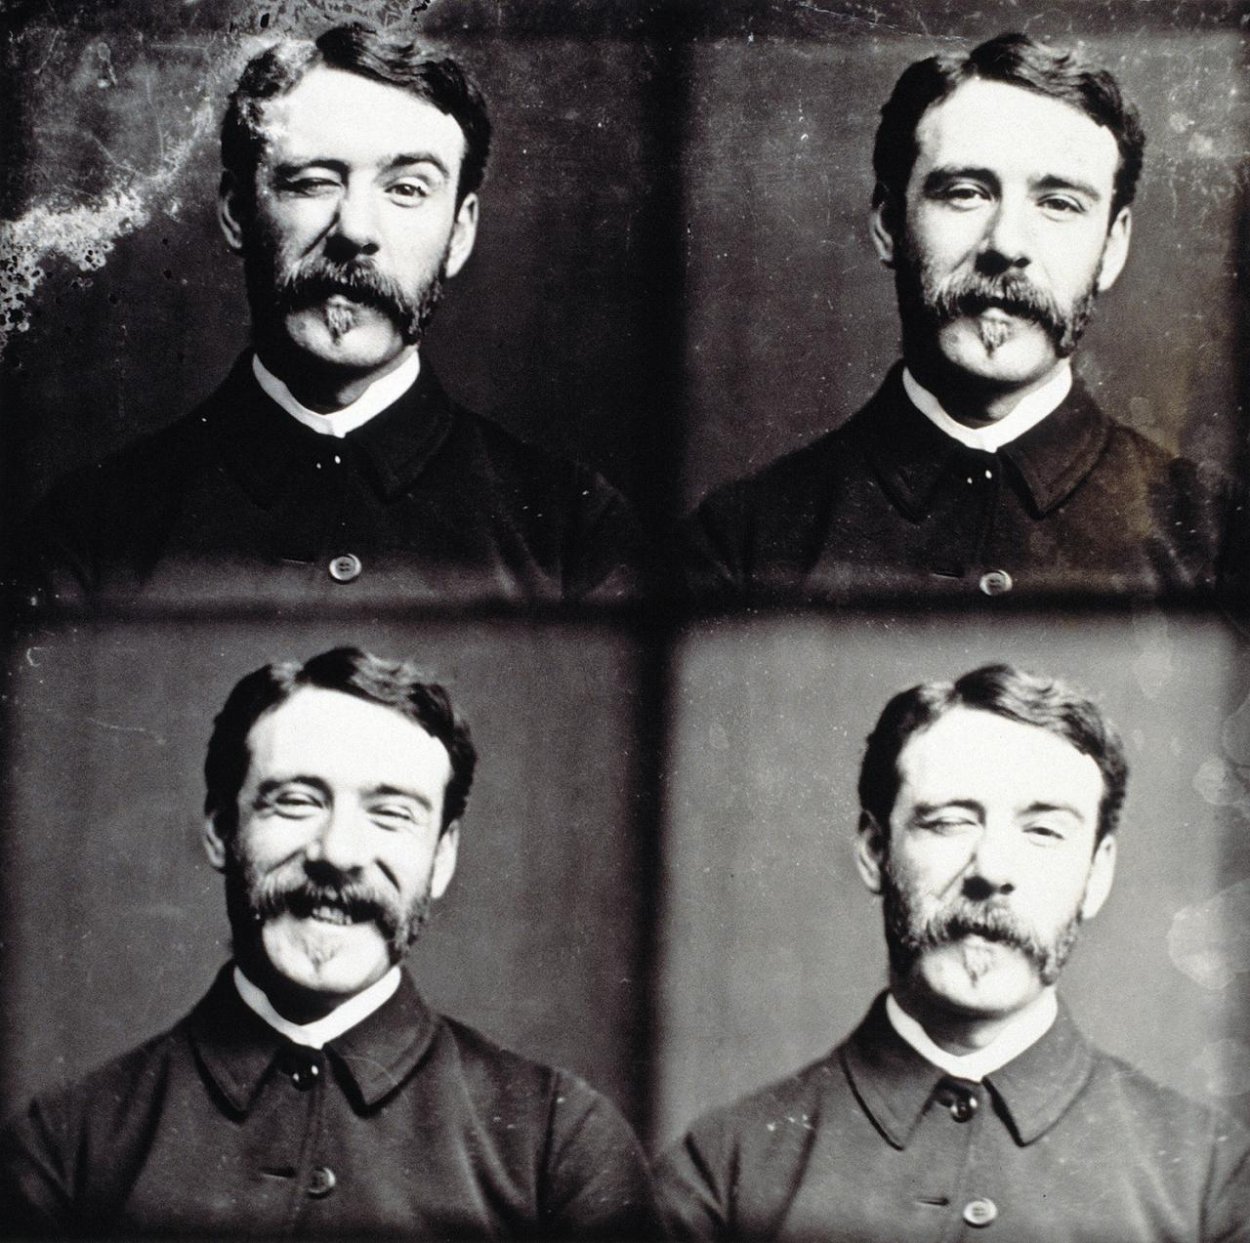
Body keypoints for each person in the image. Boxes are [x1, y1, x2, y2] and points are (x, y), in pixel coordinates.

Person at [0, 647, 661, 1237]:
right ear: (221, 830)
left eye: (391, 814)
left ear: (442, 858)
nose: (338, 853)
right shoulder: (62, 1147)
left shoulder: (561, 1147)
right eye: (296, 801)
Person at [18, 25, 639, 608]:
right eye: (312, 182)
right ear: (237, 212)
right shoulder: (87, 531)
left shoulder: (576, 532)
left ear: (459, 234)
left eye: (407, 189)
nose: (355, 231)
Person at [656, 664, 1250, 1241]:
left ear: (1097, 875)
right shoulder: (721, 1174)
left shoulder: (1213, 1180)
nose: (991, 870)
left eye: (1043, 831)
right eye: (947, 823)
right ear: (875, 852)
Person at [681, 34, 1234, 603]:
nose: (1006, 245)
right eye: (965, 193)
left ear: (1113, 247)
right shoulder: (741, 542)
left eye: (1059, 203)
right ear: (889, 224)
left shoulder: (1221, 541)